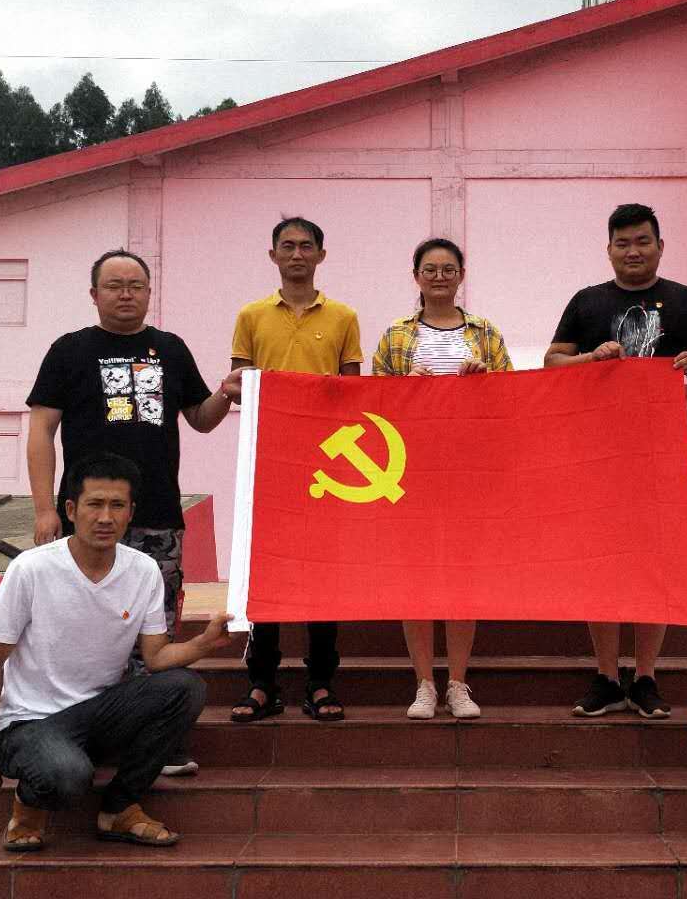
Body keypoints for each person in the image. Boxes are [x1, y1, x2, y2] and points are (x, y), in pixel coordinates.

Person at [26, 248, 241, 775]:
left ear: (148, 292)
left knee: (157, 628)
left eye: (136, 286)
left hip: (157, 516)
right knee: (84, 625)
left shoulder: (170, 349)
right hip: (86, 519)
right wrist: (44, 509)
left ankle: (155, 739)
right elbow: (41, 431)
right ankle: (77, 731)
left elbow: (201, 418)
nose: (126, 294)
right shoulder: (69, 351)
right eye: (115, 285)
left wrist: (226, 392)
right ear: (94, 294)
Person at [0, 453, 237, 852]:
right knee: (66, 774)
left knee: (184, 688)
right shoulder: (31, 569)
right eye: (94, 504)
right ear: (71, 510)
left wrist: (202, 644)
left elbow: (156, 658)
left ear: (131, 513)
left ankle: (120, 807)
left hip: (97, 716)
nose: (105, 517)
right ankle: (28, 805)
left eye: (117, 505)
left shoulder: (143, 571)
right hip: (28, 723)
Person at [545, 203, 687, 720]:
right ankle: (607, 676)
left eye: (642, 241)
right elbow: (552, 362)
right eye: (623, 243)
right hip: (598, 453)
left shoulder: (685, 299)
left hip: (659, 452)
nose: (633, 251)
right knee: (603, 564)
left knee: (655, 561)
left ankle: (646, 677)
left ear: (660, 246)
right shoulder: (587, 301)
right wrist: (591, 359)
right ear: (608, 250)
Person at [372, 238, 514, 720]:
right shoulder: (395, 335)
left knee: (461, 576)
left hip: (469, 473)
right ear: (416, 275)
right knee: (416, 576)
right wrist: (403, 392)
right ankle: (424, 684)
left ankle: (457, 682)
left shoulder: (486, 333)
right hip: (409, 474)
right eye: (429, 269)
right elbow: (372, 404)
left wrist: (483, 383)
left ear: (461, 275)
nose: (439, 277)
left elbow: (511, 399)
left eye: (448, 269)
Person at [230, 216, 363, 722]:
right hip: (268, 457)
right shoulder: (251, 315)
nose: (297, 254)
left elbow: (353, 391)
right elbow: (240, 386)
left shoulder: (344, 316)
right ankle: (261, 683)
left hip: (327, 463)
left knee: (322, 572)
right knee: (266, 568)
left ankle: (321, 682)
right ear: (273, 256)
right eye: (287, 246)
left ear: (321, 256)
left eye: (307, 246)